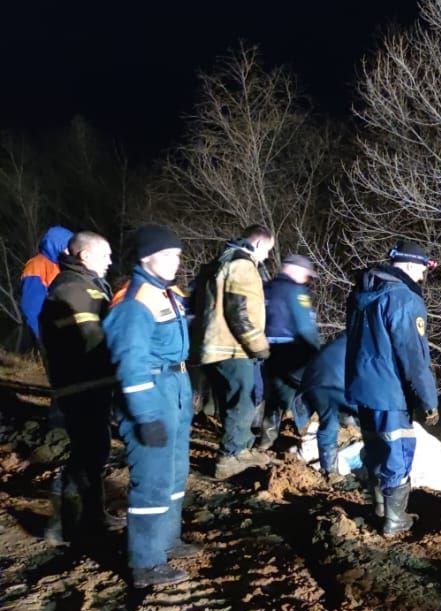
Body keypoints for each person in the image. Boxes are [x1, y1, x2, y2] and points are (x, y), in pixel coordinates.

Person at [103, 225, 197, 588]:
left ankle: (168, 539)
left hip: (174, 384)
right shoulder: (136, 301)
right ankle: (146, 563)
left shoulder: (166, 294)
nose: (177, 261)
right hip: (152, 390)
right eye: (170, 254)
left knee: (174, 471)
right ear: (147, 257)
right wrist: (144, 415)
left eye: (178, 254)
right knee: (152, 479)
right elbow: (130, 363)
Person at [345, 240, 439, 537]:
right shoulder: (403, 298)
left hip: (362, 385)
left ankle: (380, 508)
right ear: (412, 265)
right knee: (397, 449)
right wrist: (428, 399)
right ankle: (395, 520)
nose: (424, 276)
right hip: (390, 389)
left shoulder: (362, 292)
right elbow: (412, 355)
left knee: (374, 446)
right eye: (424, 269)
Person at [38, 231, 115, 546]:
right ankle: (63, 523)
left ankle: (91, 515)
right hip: (81, 385)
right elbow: (92, 342)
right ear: (84, 256)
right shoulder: (73, 289)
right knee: (88, 452)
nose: (110, 260)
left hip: (89, 383)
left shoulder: (85, 285)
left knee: (94, 451)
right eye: (105, 254)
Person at [195, 224, 273, 478]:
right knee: (244, 400)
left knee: (232, 401)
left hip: (214, 346)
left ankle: (240, 450)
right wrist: (258, 346)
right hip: (233, 347)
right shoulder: (242, 266)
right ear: (259, 245)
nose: (267, 257)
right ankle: (230, 456)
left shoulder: (219, 263)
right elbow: (239, 311)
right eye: (268, 250)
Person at [257, 254, 322, 451]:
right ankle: (310, 436)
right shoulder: (295, 292)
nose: (308, 280)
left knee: (274, 397)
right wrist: (319, 353)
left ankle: (266, 439)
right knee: (313, 390)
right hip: (293, 353)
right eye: (306, 275)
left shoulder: (265, 288)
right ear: (295, 270)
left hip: (266, 352)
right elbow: (305, 327)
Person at [299, 333, 354, 479]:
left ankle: (329, 470)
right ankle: (376, 470)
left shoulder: (345, 338)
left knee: (328, 422)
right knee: (372, 424)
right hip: (337, 382)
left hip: (313, 380)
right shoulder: (371, 342)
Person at [19, 226, 74, 346]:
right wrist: (42, 339)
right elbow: (31, 308)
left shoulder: (63, 266)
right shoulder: (37, 265)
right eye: (68, 247)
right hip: (43, 335)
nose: (72, 251)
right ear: (57, 245)